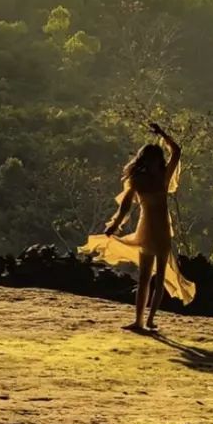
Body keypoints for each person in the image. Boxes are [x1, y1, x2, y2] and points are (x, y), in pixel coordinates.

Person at [79, 120, 195, 332]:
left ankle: (150, 320)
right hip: (146, 231)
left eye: (155, 160)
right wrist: (114, 225)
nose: (153, 164)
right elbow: (125, 207)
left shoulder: (163, 178)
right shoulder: (137, 181)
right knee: (144, 279)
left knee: (160, 278)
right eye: (150, 160)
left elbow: (177, 152)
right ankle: (139, 320)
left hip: (162, 232)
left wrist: (162, 133)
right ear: (144, 161)